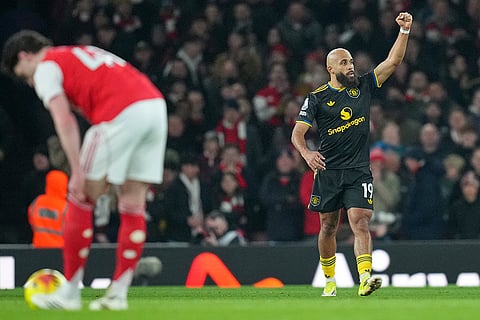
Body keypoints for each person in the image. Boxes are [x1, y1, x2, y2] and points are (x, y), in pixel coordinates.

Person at [2, 30, 167, 310]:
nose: (30, 83)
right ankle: (118, 294)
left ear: (25, 56)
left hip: (119, 113)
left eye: (24, 76)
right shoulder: (79, 53)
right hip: (154, 108)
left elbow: (63, 119)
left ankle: (69, 294)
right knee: (132, 203)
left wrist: (76, 168)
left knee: (79, 195)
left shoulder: (45, 66)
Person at [291, 12, 413, 297]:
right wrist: (307, 154)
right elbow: (297, 133)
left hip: (358, 170)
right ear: (330, 68)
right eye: (344, 63)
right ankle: (330, 279)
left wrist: (404, 32)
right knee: (329, 226)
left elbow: (392, 62)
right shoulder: (317, 98)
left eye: (352, 62)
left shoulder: (364, 87)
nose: (351, 66)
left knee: (360, 220)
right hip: (329, 171)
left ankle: (365, 278)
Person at [28, 169, 68, 248]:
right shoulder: (65, 207)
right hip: (59, 250)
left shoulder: (37, 202)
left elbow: (31, 221)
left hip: (38, 247)